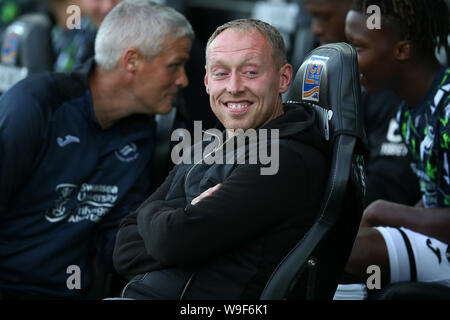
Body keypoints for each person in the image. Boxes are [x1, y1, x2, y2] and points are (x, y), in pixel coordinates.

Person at [112, 18, 329, 299]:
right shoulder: (208, 143)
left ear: (283, 78)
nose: (234, 87)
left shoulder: (284, 159)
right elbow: (123, 249)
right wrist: (179, 221)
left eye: (250, 72)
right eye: (221, 73)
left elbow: (172, 242)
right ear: (206, 82)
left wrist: (158, 217)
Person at [0, 0, 193, 299]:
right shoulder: (35, 104)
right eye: (174, 66)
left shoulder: (140, 131)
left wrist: (196, 226)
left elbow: (116, 243)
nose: (183, 79)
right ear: (132, 62)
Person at [343, 0, 450, 293]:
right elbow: (434, 198)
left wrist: (384, 213)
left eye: (359, 47)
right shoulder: (407, 110)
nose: (349, 59)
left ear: (402, 50)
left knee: (347, 249)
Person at [304, 0, 421, 209]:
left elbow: (388, 188)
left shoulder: (392, 87)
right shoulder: (317, 69)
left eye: (324, 16)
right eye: (312, 17)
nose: (316, 28)